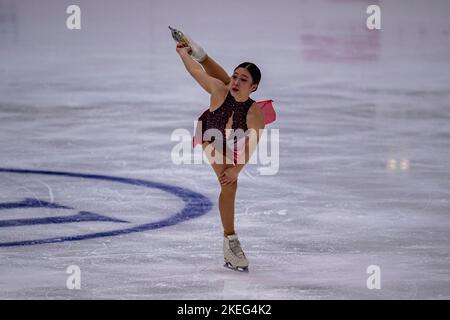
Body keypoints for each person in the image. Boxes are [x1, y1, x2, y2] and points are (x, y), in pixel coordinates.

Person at [172, 27, 268, 272]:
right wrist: (183, 54)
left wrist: (238, 168)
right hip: (210, 133)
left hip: (236, 139)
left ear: (254, 87)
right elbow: (196, 73)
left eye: (243, 80)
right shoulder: (220, 89)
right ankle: (230, 241)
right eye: (235, 76)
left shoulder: (255, 113)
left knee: (232, 175)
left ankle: (202, 53)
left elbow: (253, 143)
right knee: (228, 183)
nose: (236, 81)